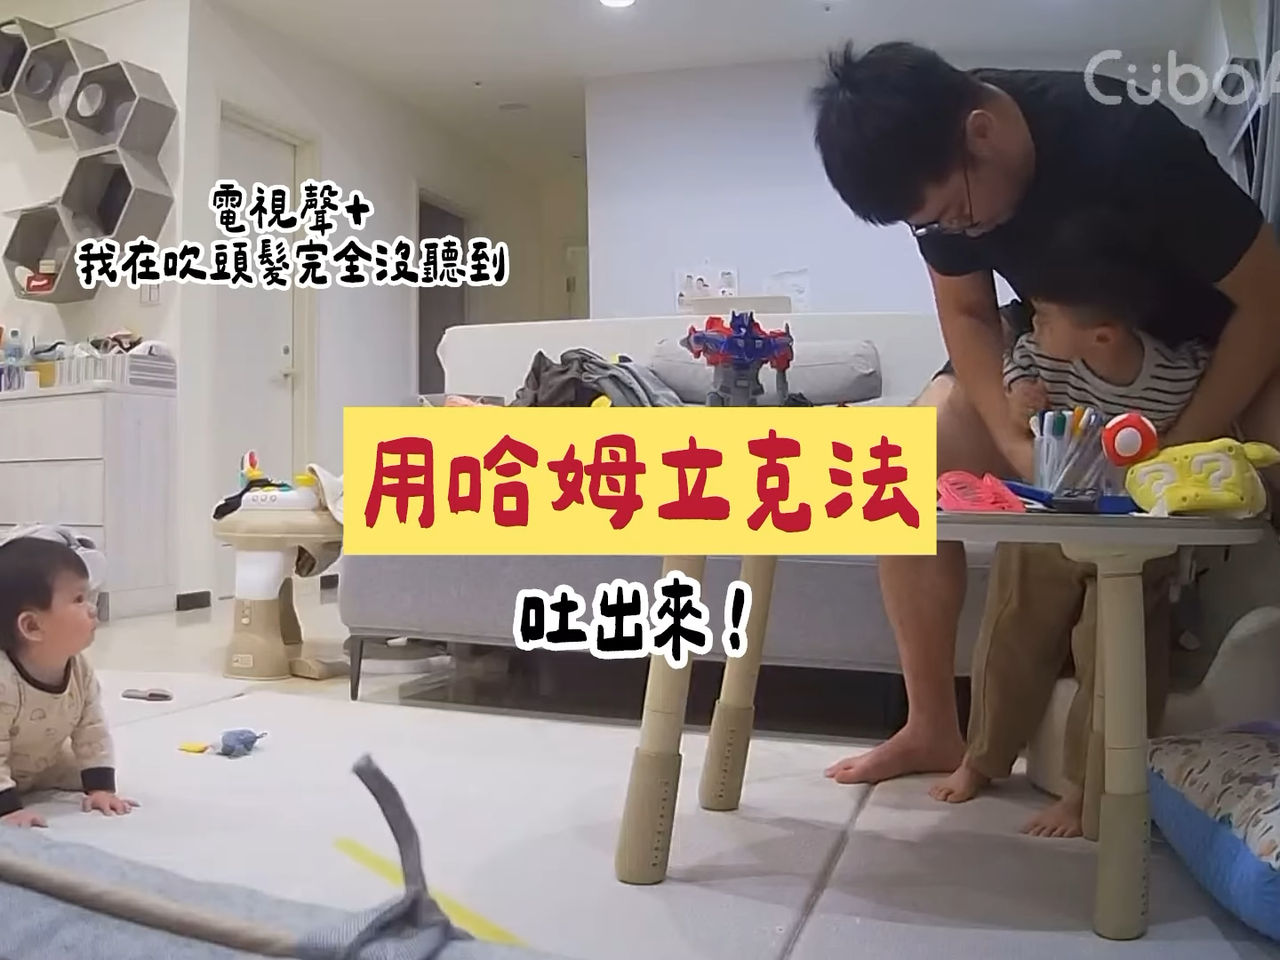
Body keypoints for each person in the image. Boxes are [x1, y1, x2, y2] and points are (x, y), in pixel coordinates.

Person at [811, 41, 1280, 786]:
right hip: (1056, 353)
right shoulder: (943, 200)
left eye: (959, 213)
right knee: (899, 466)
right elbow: (968, 313)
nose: (959, 233)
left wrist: (1180, 446)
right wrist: (1009, 437)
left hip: (1201, 349)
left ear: (981, 131)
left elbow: (1266, 297)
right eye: (933, 226)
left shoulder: (1129, 140)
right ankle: (931, 727)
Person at [929, 209, 1203, 837]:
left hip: (1130, 535)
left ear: (1102, 336)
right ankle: (982, 757)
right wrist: (1018, 400)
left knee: (1118, 650)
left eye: (1046, 316)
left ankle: (1086, 788)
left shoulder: (1174, 376)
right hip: (1050, 520)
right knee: (1012, 626)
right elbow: (1015, 384)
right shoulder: (1038, 357)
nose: (1033, 325)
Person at [0, 536, 137, 828]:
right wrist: (7, 808)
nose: (92, 608)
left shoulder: (78, 668)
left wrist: (100, 788)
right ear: (32, 626)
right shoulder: (4, 679)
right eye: (78, 599)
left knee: (84, 770)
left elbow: (91, 727)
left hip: (39, 761)